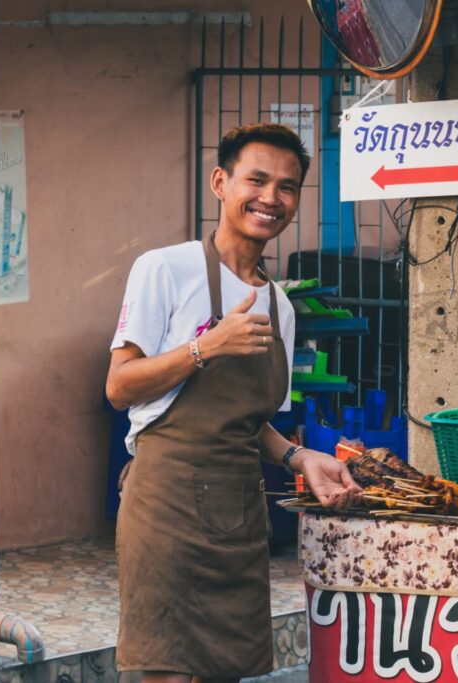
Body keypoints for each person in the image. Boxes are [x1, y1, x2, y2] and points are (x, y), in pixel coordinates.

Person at [105, 122, 362, 682]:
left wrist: (300, 459)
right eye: (258, 179)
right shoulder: (164, 269)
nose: (271, 198)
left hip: (240, 514)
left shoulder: (280, 307)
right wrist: (205, 346)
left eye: (287, 187)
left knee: (224, 672)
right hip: (167, 506)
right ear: (221, 182)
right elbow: (120, 385)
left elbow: (250, 422)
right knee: (166, 671)